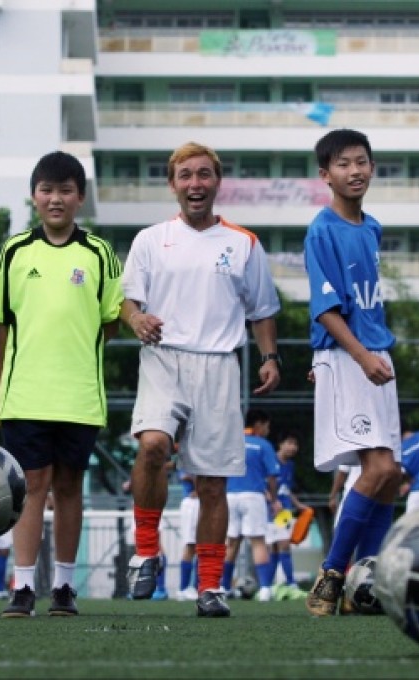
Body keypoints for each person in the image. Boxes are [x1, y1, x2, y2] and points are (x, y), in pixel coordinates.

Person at [120, 141, 281, 618]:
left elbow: (264, 310)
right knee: (152, 445)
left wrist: (270, 357)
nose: (196, 184)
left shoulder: (243, 243)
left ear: (217, 181)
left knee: (212, 485)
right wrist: (135, 320)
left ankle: (210, 588)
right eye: (186, 175)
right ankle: (147, 551)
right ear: (173, 184)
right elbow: (128, 301)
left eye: (204, 175)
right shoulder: (150, 239)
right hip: (163, 358)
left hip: (219, 365)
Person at [0, 151, 123, 618]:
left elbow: (110, 322)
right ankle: (23, 585)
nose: (56, 198)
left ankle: (64, 586)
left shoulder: (101, 253)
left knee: (69, 487)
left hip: (80, 395)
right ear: (34, 196)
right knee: (29, 487)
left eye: (65, 190)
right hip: (25, 391)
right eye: (47, 189)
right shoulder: (14, 250)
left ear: (80, 197)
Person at [303, 128, 403, 617]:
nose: (355, 170)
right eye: (343, 164)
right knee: (378, 467)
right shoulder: (321, 230)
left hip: (375, 355)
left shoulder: (373, 227)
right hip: (352, 359)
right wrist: (358, 357)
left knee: (391, 476)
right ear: (326, 175)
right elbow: (325, 309)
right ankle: (332, 574)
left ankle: (366, 580)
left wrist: (373, 356)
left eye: (361, 161)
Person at [223, 409, 280, 602]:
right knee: (258, 542)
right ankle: (264, 588)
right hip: (253, 496)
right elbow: (272, 476)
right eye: (266, 426)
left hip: (230, 495)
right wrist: (273, 499)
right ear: (258, 424)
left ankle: (223, 588)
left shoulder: (231, 443)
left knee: (231, 543)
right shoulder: (263, 445)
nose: (267, 430)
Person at [266, 430, 310, 600]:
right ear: (280, 444)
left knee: (281, 546)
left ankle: (275, 585)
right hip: (271, 510)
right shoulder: (271, 461)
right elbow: (263, 485)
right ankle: (279, 584)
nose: (293, 447)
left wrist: (298, 505)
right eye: (289, 443)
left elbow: (286, 488)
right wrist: (272, 501)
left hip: (284, 511)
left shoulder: (289, 465)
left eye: (295, 444)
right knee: (275, 547)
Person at [173, 466, 200, 601]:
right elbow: (186, 475)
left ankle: (195, 587)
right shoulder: (187, 455)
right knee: (191, 545)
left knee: (202, 545)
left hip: (201, 501)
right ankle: (184, 588)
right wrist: (197, 488)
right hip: (192, 502)